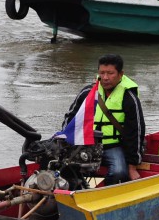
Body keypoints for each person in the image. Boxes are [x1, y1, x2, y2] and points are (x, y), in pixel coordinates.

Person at [62, 53, 145, 185]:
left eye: (110, 73)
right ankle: (78, 189)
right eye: (102, 73)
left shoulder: (129, 98)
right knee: (64, 168)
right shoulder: (88, 92)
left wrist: (132, 166)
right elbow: (70, 119)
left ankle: (104, 194)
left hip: (113, 146)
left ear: (120, 74)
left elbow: (135, 132)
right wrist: (66, 145)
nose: (105, 78)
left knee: (119, 172)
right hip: (86, 145)